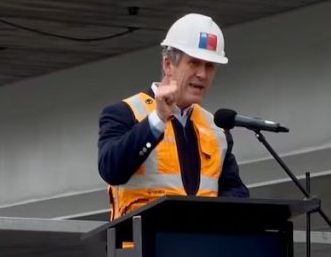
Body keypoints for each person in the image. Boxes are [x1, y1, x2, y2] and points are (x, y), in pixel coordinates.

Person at [97, 13, 250, 220]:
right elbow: (111, 170)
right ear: (168, 64)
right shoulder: (124, 113)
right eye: (194, 63)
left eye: (210, 66)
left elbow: (235, 191)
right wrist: (157, 120)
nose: (203, 74)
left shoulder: (217, 129)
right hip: (142, 247)